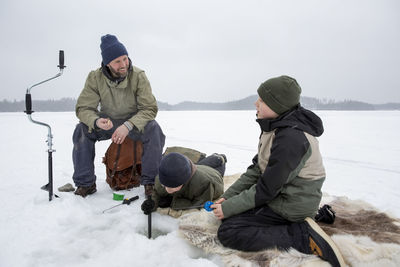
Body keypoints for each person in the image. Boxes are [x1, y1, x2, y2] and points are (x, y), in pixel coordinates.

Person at [210, 76, 345, 267]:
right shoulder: (275, 127)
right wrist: (228, 198)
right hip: (282, 195)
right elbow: (257, 170)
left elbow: (266, 189)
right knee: (231, 216)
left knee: (229, 231)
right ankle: (296, 229)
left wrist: (229, 208)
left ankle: (302, 236)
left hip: (292, 204)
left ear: (278, 105)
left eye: (262, 100)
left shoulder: (291, 139)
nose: (256, 103)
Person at [72, 34, 165, 198]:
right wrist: (96, 121)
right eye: (117, 61)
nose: (123, 64)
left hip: (133, 123)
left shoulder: (138, 76)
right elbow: (83, 108)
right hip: (108, 122)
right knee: (82, 130)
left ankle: (150, 183)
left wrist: (128, 125)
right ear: (107, 63)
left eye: (125, 58)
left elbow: (149, 108)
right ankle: (85, 184)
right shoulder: (95, 78)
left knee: (154, 129)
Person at [141, 152, 226, 216]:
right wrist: (152, 202)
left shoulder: (203, 184)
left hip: (214, 175)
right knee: (197, 166)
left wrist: (173, 202)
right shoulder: (161, 178)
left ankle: (220, 158)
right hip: (195, 169)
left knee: (218, 162)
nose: (167, 190)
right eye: (164, 185)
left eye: (173, 187)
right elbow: (157, 192)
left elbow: (199, 204)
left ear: (184, 181)